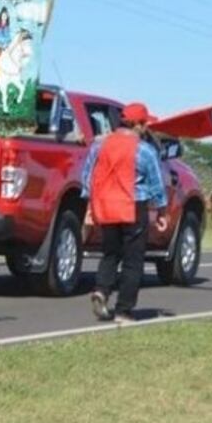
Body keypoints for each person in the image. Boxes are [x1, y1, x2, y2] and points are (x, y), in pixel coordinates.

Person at [83, 103, 168, 323]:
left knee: (110, 252)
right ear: (138, 124)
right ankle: (124, 310)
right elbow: (157, 185)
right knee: (133, 260)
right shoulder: (145, 150)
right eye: (145, 122)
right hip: (133, 205)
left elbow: (87, 177)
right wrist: (161, 212)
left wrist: (89, 207)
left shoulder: (99, 146)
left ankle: (102, 290)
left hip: (106, 206)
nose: (146, 126)